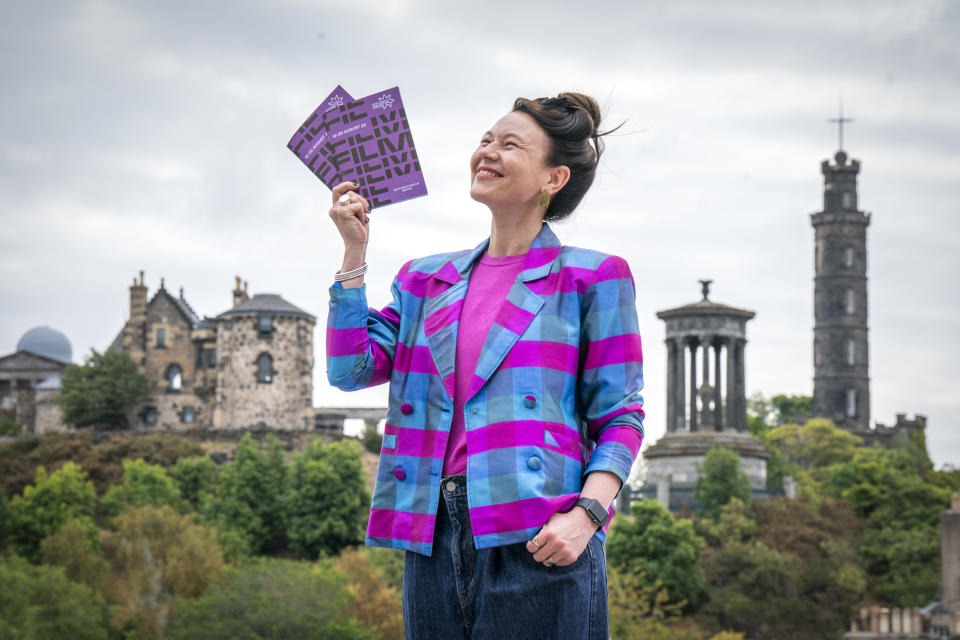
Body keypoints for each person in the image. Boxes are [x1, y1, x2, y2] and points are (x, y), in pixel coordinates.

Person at [326, 92, 644, 640]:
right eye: (485, 139)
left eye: (510, 144)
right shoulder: (424, 280)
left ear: (554, 178)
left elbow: (621, 414)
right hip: (431, 534)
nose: (487, 151)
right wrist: (354, 254)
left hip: (541, 536)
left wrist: (586, 515)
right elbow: (350, 369)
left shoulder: (594, 278)